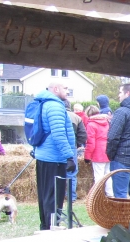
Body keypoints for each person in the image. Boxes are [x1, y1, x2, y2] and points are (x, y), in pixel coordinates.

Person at [33, 82, 76, 230]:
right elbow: (58, 135)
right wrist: (69, 156)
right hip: (54, 159)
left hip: (45, 156)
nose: (67, 90)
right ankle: (51, 228)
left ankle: (46, 226)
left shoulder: (45, 103)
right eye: (65, 88)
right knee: (53, 198)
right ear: (56, 89)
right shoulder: (55, 106)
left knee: (46, 196)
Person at [83, 105, 112, 198]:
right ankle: (110, 194)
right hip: (108, 151)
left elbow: (90, 142)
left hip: (98, 153)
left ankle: (99, 195)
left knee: (98, 175)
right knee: (108, 174)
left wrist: (87, 156)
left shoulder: (91, 124)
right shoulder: (106, 122)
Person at [64, 99, 87, 202]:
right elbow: (83, 134)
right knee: (71, 173)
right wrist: (77, 145)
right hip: (71, 147)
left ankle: (57, 196)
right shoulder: (76, 117)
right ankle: (71, 197)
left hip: (56, 149)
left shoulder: (55, 114)